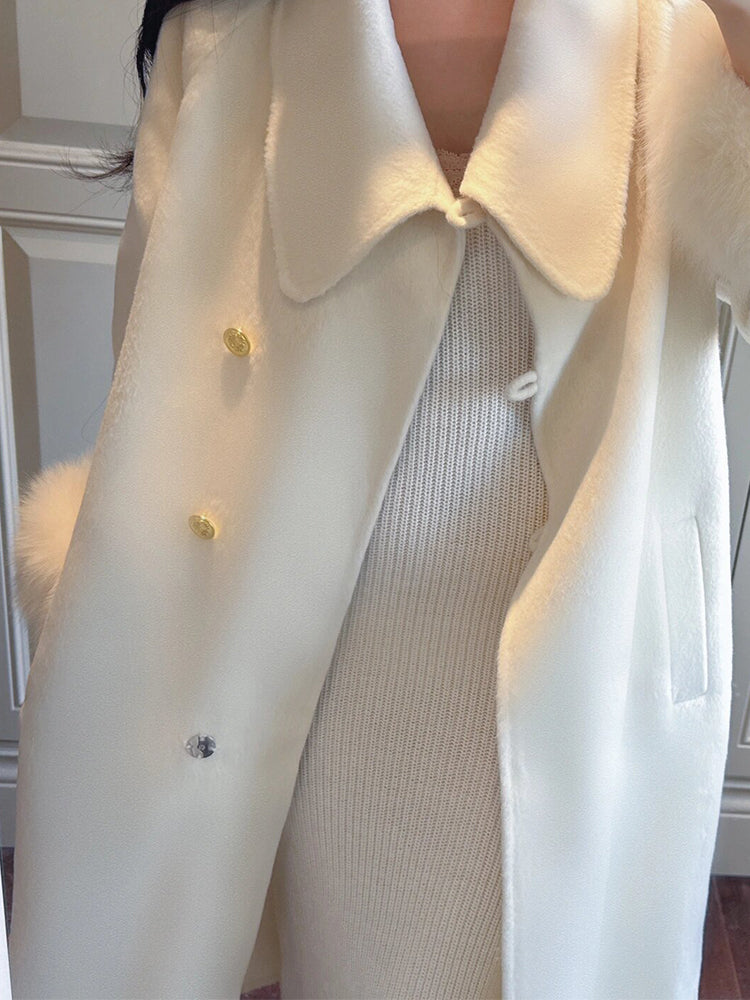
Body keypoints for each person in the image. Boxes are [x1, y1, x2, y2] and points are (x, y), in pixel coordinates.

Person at [8, 1, 750, 998]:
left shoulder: (683, 32)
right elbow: (165, 413)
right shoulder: (228, 42)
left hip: (609, 674)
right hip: (337, 700)